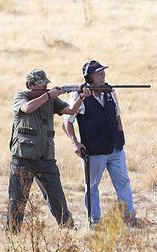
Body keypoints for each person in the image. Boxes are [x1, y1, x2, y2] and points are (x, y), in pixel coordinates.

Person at [7, 69, 91, 233]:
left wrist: (82, 97)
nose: (46, 87)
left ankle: (68, 230)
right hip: (23, 158)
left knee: (57, 197)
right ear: (30, 85)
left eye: (46, 85)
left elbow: (71, 111)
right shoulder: (21, 96)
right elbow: (27, 108)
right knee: (17, 200)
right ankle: (12, 234)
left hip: (46, 158)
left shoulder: (51, 100)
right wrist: (48, 96)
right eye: (41, 85)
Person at [63, 60, 136, 225]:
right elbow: (67, 122)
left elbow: (117, 115)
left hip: (115, 148)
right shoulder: (79, 95)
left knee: (123, 183)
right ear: (90, 77)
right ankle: (94, 221)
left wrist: (120, 135)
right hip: (94, 150)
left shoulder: (109, 91)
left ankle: (129, 218)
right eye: (99, 73)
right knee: (92, 186)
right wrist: (76, 144)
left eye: (103, 72)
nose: (103, 75)